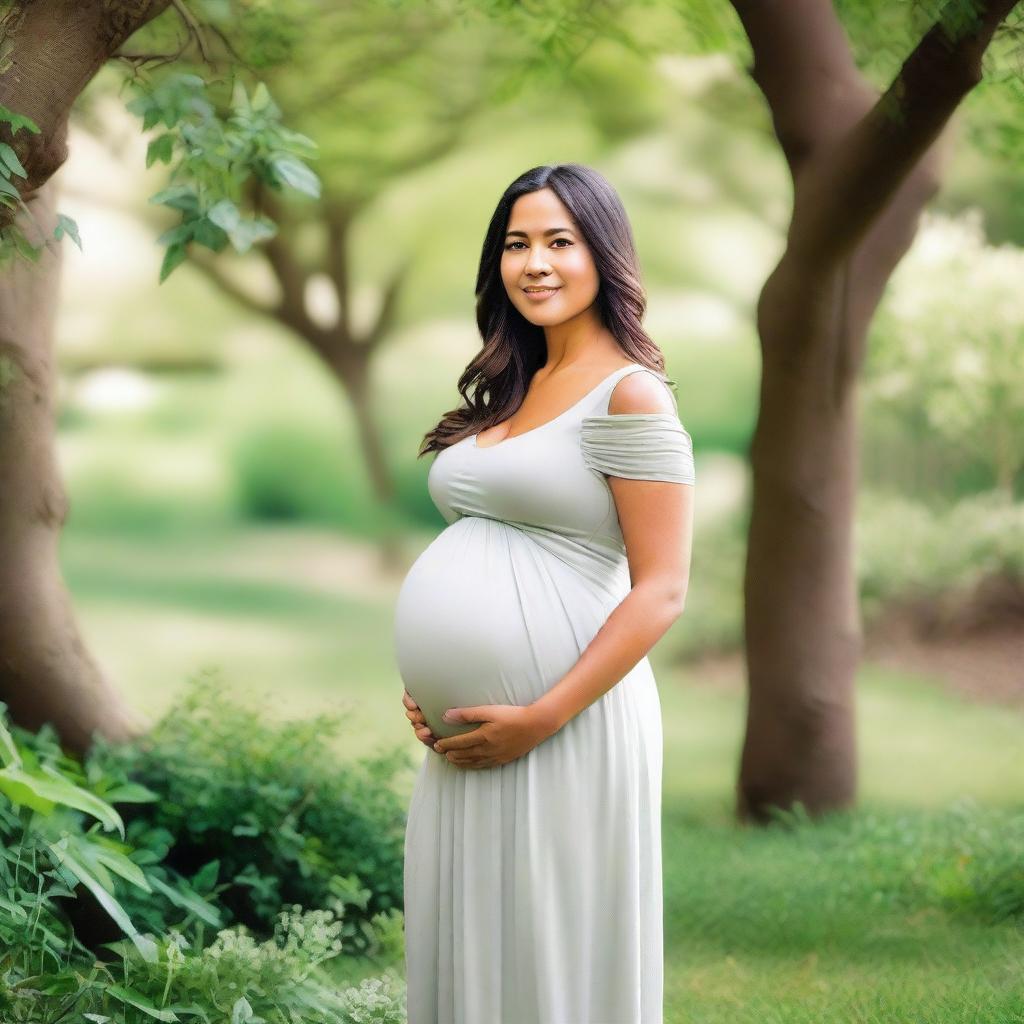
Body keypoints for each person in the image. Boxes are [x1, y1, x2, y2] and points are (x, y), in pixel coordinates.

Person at [394, 162, 695, 1024]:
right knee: (474, 938)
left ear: (603, 255)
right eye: (516, 244)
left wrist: (545, 714)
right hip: (475, 733)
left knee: (550, 949)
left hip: (571, 722)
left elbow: (663, 589)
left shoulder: (630, 395)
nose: (536, 263)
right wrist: (432, 686)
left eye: (560, 241)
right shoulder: (510, 390)